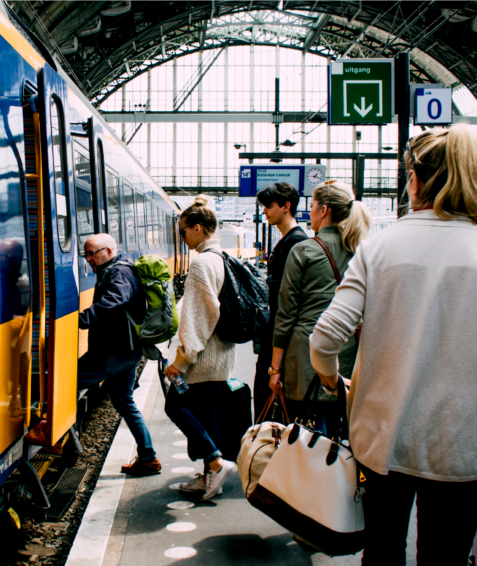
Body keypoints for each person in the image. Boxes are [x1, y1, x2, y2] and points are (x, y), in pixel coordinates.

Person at [308, 125, 477, 566]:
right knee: (444, 559)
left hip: (383, 439)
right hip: (462, 448)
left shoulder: (379, 247)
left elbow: (326, 337)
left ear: (416, 180)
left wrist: (334, 381)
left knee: (382, 552)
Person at [269, 180, 371, 430]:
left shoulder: (303, 251)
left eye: (312, 205)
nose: (310, 211)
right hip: (346, 359)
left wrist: (274, 369)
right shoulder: (362, 252)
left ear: (324, 210)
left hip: (304, 362)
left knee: (307, 441)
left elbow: (286, 315)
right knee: (341, 438)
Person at [163, 196, 238, 500]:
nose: (182, 239)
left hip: (202, 358)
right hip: (221, 353)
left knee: (175, 406)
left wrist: (180, 363)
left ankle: (216, 464)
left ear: (197, 228)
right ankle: (211, 475)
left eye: (183, 232)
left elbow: (198, 320)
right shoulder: (223, 258)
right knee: (208, 415)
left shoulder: (201, 264)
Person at [77, 233, 160, 475]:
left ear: (109, 252)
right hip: (127, 350)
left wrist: (83, 319)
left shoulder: (117, 273)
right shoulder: (114, 270)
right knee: (125, 403)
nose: (89, 259)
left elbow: (116, 300)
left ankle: (54, 439)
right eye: (86, 254)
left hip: (114, 351)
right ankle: (148, 458)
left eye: (93, 253)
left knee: (66, 382)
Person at [253, 182, 308, 414]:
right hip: (276, 341)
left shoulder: (294, 244)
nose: (264, 211)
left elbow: (286, 307)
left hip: (279, 345)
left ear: (286, 206)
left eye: (269, 205)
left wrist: (276, 367)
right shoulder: (287, 242)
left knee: (269, 414)